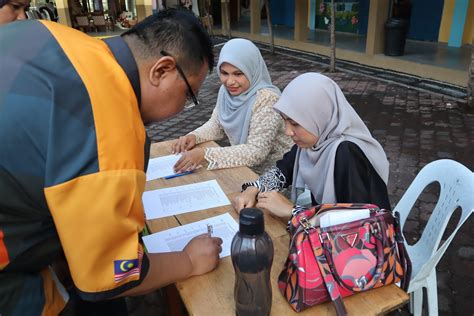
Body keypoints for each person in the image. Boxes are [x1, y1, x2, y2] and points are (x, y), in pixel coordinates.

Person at [0, 9, 222, 315]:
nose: (181, 109)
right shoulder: (109, 123)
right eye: (188, 96)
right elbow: (110, 276)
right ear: (162, 70)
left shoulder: (52, 35)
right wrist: (189, 260)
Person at [233, 73, 391, 219]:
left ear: (319, 117)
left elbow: (356, 222)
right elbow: (283, 171)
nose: (288, 131)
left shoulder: (347, 154)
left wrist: (292, 211)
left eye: (295, 123)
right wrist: (253, 188)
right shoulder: (314, 142)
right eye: (285, 121)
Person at [172, 38, 292, 175]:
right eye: (224, 73)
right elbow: (217, 125)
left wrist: (205, 154)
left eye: (238, 74)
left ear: (252, 70)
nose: (230, 81)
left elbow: (256, 152)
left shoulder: (268, 99)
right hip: (242, 168)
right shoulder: (226, 92)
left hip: (276, 176)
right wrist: (193, 136)